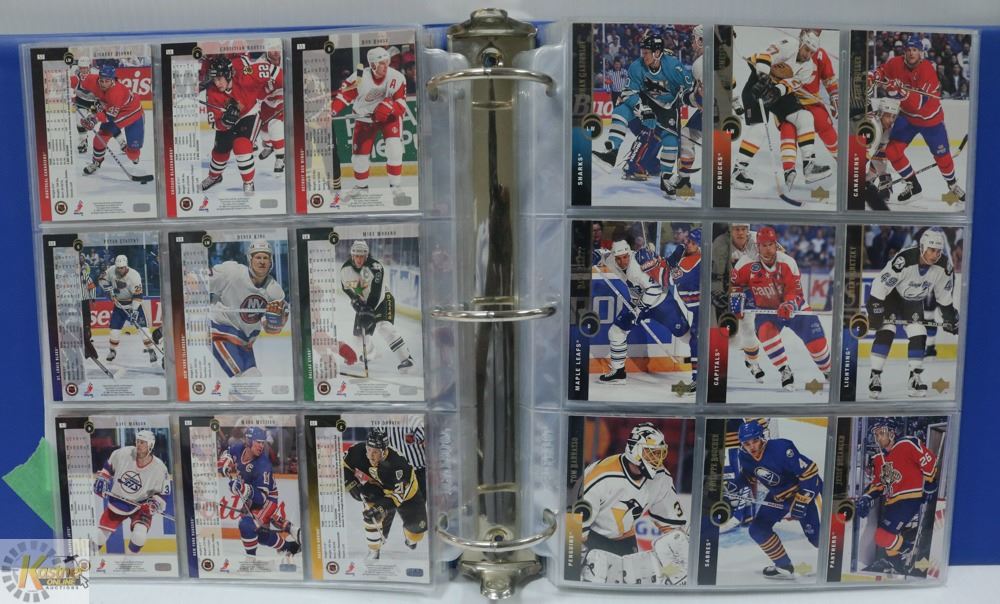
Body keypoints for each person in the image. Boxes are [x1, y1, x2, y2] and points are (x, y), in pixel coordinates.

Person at [574, 423, 688, 585]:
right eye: (651, 453)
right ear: (635, 450)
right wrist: (575, 563)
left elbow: (673, 529)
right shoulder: (602, 476)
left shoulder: (660, 477)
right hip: (593, 539)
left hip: (626, 540)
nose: (657, 459)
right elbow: (575, 527)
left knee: (677, 543)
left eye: (659, 453)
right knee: (597, 581)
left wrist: (673, 569)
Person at [591, 32, 695, 197]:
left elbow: (691, 90)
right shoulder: (636, 66)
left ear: (658, 53)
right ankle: (612, 154)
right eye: (643, 52)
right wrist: (641, 108)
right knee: (621, 111)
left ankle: (665, 178)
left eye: (647, 52)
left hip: (667, 110)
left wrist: (690, 98)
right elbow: (628, 93)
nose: (643, 55)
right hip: (645, 104)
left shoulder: (674, 67)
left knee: (670, 142)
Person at [729, 226, 832, 391]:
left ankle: (828, 370)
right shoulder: (745, 264)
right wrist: (736, 297)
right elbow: (735, 284)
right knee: (765, 334)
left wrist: (789, 303)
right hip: (767, 312)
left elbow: (795, 292)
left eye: (771, 244)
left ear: (776, 244)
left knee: (817, 344)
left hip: (795, 309)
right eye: (764, 245)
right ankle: (785, 371)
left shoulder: (788, 262)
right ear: (758, 246)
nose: (768, 249)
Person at [731, 31, 831, 192]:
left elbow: (791, 85)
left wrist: (776, 91)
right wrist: (763, 76)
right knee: (759, 129)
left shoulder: (808, 67)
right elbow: (765, 54)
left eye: (812, 52)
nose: (808, 55)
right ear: (801, 43)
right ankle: (737, 171)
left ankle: (809, 166)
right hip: (757, 84)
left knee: (804, 116)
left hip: (777, 91)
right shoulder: (789, 44)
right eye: (806, 49)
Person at [865, 228, 957, 398]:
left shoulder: (944, 266)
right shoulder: (904, 260)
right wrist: (876, 309)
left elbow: (944, 296)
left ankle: (914, 377)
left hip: (914, 301)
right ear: (922, 247)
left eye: (938, 251)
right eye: (931, 250)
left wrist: (950, 317)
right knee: (886, 331)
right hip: (892, 296)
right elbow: (880, 285)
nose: (935, 255)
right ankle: (875, 376)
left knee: (919, 333)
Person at [870, 36, 964, 202]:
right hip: (907, 118)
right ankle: (914, 186)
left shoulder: (927, 69)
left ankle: (952, 184)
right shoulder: (896, 63)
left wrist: (898, 91)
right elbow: (883, 70)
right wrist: (874, 75)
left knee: (943, 159)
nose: (911, 53)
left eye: (915, 50)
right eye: (908, 49)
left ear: (921, 53)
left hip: (931, 121)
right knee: (892, 151)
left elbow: (919, 104)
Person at [593, 239, 692, 387]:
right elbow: (603, 254)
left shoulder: (637, 266)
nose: (622, 261)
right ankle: (618, 373)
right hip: (637, 302)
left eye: (625, 257)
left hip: (661, 303)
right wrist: (595, 255)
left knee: (685, 335)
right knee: (616, 331)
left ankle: (707, 364)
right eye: (618, 258)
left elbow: (655, 289)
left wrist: (638, 310)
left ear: (629, 253)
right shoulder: (611, 260)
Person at [734, 420, 822, 579]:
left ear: (762, 437)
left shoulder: (782, 448)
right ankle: (784, 566)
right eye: (747, 443)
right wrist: (733, 485)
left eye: (755, 440)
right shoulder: (744, 456)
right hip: (779, 496)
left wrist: (802, 501)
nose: (752, 446)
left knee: (817, 539)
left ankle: (837, 562)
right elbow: (748, 477)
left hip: (802, 492)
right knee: (758, 529)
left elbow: (809, 473)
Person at [856, 418, 939, 574]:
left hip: (909, 499)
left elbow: (929, 460)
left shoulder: (906, 444)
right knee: (887, 539)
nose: (878, 438)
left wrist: (930, 482)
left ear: (892, 433)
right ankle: (897, 565)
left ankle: (914, 550)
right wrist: (867, 497)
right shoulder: (879, 459)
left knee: (883, 536)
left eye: (881, 433)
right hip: (892, 502)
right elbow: (879, 484)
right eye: (876, 434)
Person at [330, 47, 409, 203]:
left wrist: (390, 107)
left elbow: (402, 104)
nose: (386, 66)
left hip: (389, 118)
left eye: (387, 62)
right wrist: (332, 111)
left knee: (394, 148)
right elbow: (343, 95)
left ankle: (396, 186)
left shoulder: (397, 77)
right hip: (364, 118)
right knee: (359, 158)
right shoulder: (359, 77)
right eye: (382, 63)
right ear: (372, 65)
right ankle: (361, 187)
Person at [342, 428, 427, 560]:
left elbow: (397, 497)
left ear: (384, 451)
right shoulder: (358, 450)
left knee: (416, 532)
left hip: (407, 495)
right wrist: (351, 484)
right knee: (371, 512)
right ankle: (374, 551)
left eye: (375, 452)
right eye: (368, 449)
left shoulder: (399, 465)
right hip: (379, 488)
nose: (370, 455)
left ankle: (410, 539)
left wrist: (380, 508)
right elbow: (343, 465)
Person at [209, 240, 288, 381]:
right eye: (258, 257)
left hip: (244, 342)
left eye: (265, 258)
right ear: (250, 259)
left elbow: (272, 330)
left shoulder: (275, 291)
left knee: (249, 385)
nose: (262, 262)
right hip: (221, 331)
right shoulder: (232, 272)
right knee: (251, 378)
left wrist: (275, 323)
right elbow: (199, 281)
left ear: (271, 262)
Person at [201, 55, 280, 194]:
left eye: (219, 78)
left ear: (228, 75)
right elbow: (214, 123)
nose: (217, 83)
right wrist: (224, 122)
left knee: (242, 147)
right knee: (219, 153)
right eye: (214, 79)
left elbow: (273, 70)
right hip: (228, 123)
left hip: (250, 114)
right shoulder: (212, 91)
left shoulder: (246, 75)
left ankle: (248, 182)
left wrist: (289, 84)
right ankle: (214, 177)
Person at [217, 426, 300, 557]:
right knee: (259, 535)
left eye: (263, 442)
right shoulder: (239, 448)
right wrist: (224, 462)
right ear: (248, 441)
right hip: (251, 497)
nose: (261, 446)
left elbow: (261, 498)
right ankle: (290, 547)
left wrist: (241, 488)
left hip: (268, 499)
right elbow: (228, 452)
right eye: (258, 442)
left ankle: (251, 560)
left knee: (247, 525)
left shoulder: (263, 464)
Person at [339, 240, 415, 372]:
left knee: (384, 326)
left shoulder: (375, 267)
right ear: (352, 255)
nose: (359, 259)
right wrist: (356, 301)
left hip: (382, 299)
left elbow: (376, 292)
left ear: (366, 255)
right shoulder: (345, 269)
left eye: (362, 256)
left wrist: (368, 309)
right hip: (365, 302)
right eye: (356, 256)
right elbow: (346, 288)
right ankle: (372, 353)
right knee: (358, 337)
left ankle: (407, 359)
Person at [92, 430, 170, 554]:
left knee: (139, 536)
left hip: (141, 506)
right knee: (99, 537)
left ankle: (129, 561)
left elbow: (163, 493)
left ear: (151, 445)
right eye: (138, 441)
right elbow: (108, 468)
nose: (139, 445)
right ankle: (84, 558)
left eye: (143, 442)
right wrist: (102, 479)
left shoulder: (160, 468)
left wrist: (153, 504)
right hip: (118, 501)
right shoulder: (123, 453)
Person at [78, 61, 147, 177]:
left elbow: (108, 117)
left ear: (113, 80)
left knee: (133, 155)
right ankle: (96, 163)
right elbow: (77, 85)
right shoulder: (92, 80)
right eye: (102, 80)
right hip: (113, 113)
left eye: (107, 81)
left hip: (132, 114)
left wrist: (93, 119)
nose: (103, 84)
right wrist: (69, 94)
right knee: (99, 139)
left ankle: (130, 150)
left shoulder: (116, 93)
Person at [100, 254, 156, 364]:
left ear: (126, 266)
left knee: (143, 330)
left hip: (134, 305)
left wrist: (134, 311)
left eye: (122, 268)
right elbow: (101, 279)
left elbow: (138, 296)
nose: (120, 270)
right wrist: (108, 290)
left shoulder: (134, 276)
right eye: (118, 268)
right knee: (114, 332)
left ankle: (151, 350)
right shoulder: (111, 270)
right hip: (119, 306)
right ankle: (112, 351)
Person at [256, 48, 285, 173]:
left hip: (284, 96)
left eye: (277, 49)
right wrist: (266, 90)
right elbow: (258, 91)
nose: (276, 52)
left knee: (275, 125)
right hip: (268, 99)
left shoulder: (288, 57)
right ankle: (269, 146)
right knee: (264, 130)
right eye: (272, 49)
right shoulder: (260, 63)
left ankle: (280, 158)